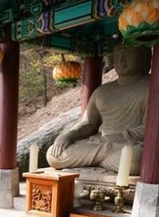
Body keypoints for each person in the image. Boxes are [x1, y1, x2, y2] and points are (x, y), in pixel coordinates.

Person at [47, 44, 151, 174]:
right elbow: (88, 123)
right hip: (102, 145)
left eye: (129, 52)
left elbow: (149, 129)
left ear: (147, 57)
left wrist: (112, 138)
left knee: (135, 159)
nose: (121, 57)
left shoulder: (151, 86)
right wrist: (68, 135)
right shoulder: (102, 91)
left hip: (126, 145)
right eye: (117, 53)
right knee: (54, 154)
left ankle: (97, 158)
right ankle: (103, 159)